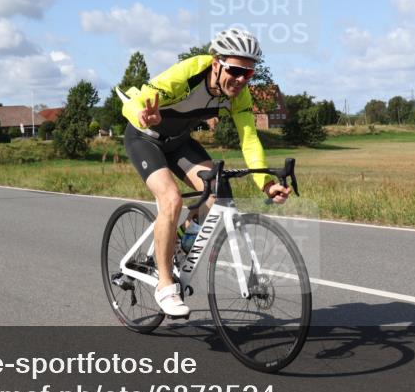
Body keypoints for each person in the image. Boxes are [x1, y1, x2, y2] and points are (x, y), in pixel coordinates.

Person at [120, 28, 291, 317]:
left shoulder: (239, 96)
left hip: (179, 143)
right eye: (235, 71)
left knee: (218, 190)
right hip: (144, 138)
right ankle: (164, 285)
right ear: (216, 63)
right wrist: (141, 114)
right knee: (171, 199)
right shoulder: (187, 74)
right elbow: (136, 102)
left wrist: (266, 183)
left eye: (248, 74)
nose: (240, 80)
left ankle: (182, 237)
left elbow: (249, 139)